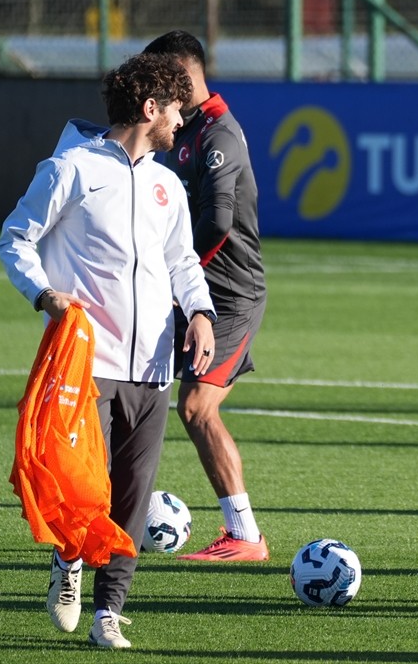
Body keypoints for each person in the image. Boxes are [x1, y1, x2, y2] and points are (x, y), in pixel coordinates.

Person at [0, 52, 217, 649]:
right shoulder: (70, 168)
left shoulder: (168, 184)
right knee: (84, 487)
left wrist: (199, 312)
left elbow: (181, 264)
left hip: (153, 365)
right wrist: (45, 295)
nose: (182, 122)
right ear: (150, 109)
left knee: (132, 495)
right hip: (85, 364)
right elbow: (15, 238)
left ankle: (108, 613)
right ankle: (68, 563)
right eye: (176, 110)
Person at [142, 31, 270, 562]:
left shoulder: (220, 135)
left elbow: (217, 222)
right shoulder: (187, 131)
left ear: (184, 73)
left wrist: (176, 276)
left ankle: (245, 535)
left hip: (230, 296)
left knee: (196, 407)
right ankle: (116, 511)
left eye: (162, 77)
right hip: (193, 292)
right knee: (133, 387)